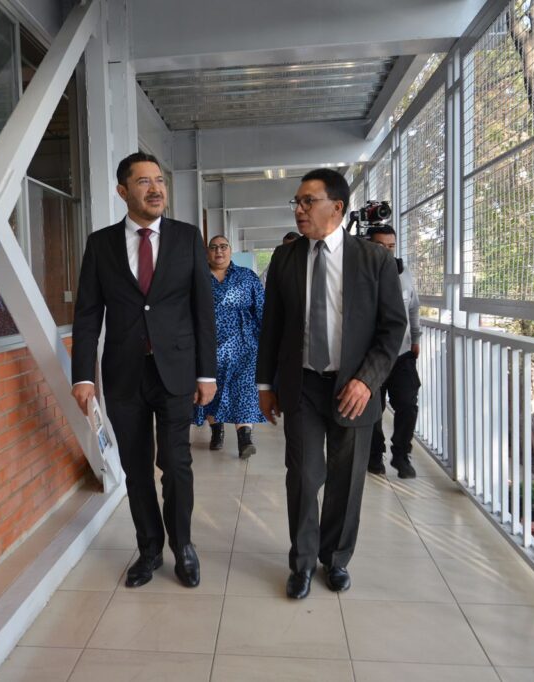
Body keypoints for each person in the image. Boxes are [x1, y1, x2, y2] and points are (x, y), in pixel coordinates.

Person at [257, 168, 406, 599]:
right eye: (297, 203)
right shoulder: (285, 258)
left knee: (346, 478)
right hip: (302, 384)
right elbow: (273, 327)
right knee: (303, 476)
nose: (299, 210)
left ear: (336, 207)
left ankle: (336, 559)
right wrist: (265, 385)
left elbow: (392, 329)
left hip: (353, 388)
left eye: (308, 201)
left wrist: (367, 380)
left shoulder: (373, 260)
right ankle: (302, 564)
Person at [71, 152, 217, 589]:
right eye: (143, 182)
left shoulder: (187, 237)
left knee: (175, 463)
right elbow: (87, 314)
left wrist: (206, 373)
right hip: (123, 373)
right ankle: (149, 549)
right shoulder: (101, 245)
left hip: (176, 371)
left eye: (159, 181)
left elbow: (201, 309)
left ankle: (184, 547)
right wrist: (83, 376)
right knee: (135, 466)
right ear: (122, 191)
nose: (155, 189)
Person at [194, 235, 266, 459]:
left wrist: (267, 342)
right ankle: (217, 431)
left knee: (243, 390)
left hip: (244, 347)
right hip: (208, 347)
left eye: (223, 247)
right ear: (207, 252)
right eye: (214, 247)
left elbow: (262, 309)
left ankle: (245, 438)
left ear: (231, 250)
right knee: (212, 390)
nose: (219, 251)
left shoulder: (247, 277)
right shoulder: (198, 278)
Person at [364, 223, 421, 479]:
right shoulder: (360, 274)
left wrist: (416, 338)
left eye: (391, 247)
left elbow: (413, 308)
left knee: (408, 405)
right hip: (372, 355)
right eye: (380, 247)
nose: (387, 252)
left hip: (403, 354)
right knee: (373, 410)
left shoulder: (404, 272)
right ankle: (375, 455)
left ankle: (401, 454)